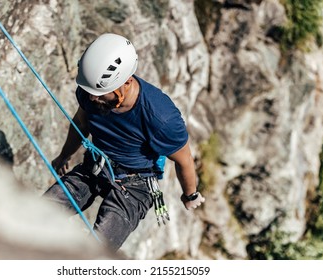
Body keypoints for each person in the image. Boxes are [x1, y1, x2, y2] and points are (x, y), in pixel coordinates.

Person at [44, 33, 205, 251]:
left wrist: (190, 194)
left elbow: (184, 159)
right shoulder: (90, 91)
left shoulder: (160, 117)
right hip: (94, 168)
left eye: (100, 93)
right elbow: (81, 123)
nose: (93, 98)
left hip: (135, 185)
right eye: (91, 92)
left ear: (126, 82)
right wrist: (65, 155)